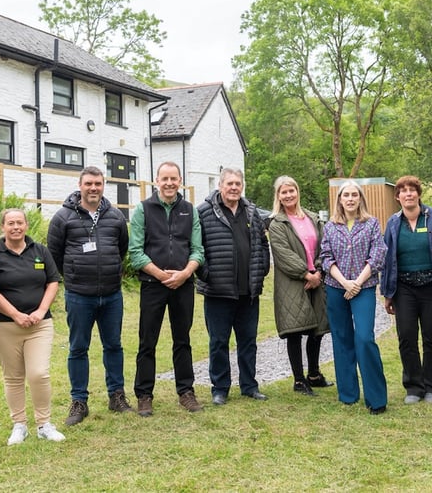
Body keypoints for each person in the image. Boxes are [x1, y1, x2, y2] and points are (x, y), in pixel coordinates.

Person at [47, 166, 132, 426]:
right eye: (88, 184)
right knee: (78, 348)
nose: (93, 188)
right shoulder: (63, 217)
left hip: (111, 296)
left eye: (98, 183)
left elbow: (122, 249)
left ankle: (116, 396)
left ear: (103, 185)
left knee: (113, 346)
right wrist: (74, 275)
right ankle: (79, 401)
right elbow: (55, 254)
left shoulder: (116, 216)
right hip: (78, 296)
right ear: (80, 185)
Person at [129, 162, 205, 416]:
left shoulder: (189, 211)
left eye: (174, 178)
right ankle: (144, 395)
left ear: (180, 180)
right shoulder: (143, 209)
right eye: (165, 179)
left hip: (183, 285)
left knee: (182, 340)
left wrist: (185, 274)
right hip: (153, 285)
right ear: (156, 181)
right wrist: (161, 275)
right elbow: (135, 252)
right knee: (147, 341)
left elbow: (198, 250)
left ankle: (186, 392)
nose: (170, 183)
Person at [0, 209, 65, 445]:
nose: (16, 227)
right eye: (11, 223)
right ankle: (19, 425)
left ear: (27, 226)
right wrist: (16, 315)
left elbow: (53, 282)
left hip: (39, 325)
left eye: (20, 222)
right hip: (3, 326)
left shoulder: (40, 251)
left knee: (39, 374)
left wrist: (40, 311)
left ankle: (44, 424)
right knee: (13, 377)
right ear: (3, 227)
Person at [197, 168, 271, 405]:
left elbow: (263, 244)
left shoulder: (252, 212)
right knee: (219, 342)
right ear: (220, 185)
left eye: (238, 183)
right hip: (218, 291)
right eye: (229, 183)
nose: (234, 187)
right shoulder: (204, 213)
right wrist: (206, 274)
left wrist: (262, 269)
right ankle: (220, 388)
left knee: (248, 341)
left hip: (248, 292)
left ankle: (249, 386)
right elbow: (195, 249)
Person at [380, 176, 432, 405]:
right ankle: (413, 386)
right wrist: (387, 292)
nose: (408, 194)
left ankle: (431, 386)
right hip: (404, 289)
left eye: (412, 190)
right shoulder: (393, 223)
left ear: (419, 194)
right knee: (406, 337)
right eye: (403, 191)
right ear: (397, 197)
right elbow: (386, 259)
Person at [319, 180, 388, 415]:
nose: (350, 199)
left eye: (354, 195)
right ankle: (348, 393)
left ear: (360, 198)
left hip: (364, 287)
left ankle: (376, 398)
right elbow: (326, 258)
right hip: (337, 287)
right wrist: (344, 282)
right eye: (345, 195)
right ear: (339, 199)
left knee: (364, 338)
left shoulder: (371, 224)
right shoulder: (330, 227)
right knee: (342, 338)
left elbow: (378, 254)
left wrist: (357, 282)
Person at [268, 176, 333, 397]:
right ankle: (298, 379)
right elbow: (283, 254)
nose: (288, 195)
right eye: (283, 192)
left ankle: (314, 374)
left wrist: (318, 272)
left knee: (318, 329)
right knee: (295, 329)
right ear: (278, 196)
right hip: (293, 281)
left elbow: (324, 246)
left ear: (298, 192)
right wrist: (306, 273)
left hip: (316, 278)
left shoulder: (313, 219)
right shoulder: (277, 223)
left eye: (291, 191)